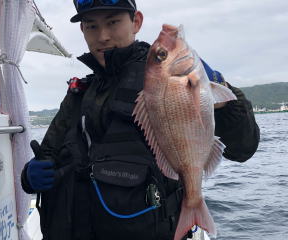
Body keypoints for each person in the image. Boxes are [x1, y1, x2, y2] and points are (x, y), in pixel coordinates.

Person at [21, 1, 260, 239]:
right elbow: (49, 151)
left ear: (136, 22)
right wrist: (29, 176)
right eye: (91, 26)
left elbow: (243, 148)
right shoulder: (80, 92)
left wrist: (223, 92)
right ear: (82, 30)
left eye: (113, 22)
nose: (102, 36)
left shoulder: (162, 78)